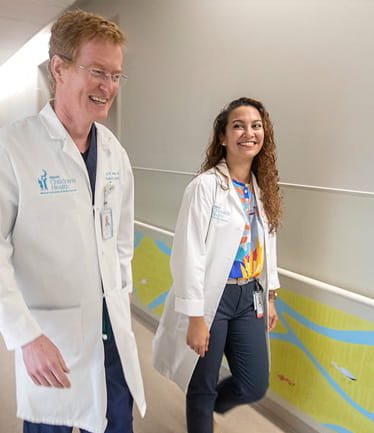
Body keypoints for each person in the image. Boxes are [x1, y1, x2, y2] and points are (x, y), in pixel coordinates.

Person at [0, 10, 146, 433]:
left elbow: (121, 239)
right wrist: (25, 336)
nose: (109, 86)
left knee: (116, 422)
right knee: (53, 423)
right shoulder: (10, 149)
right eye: (98, 71)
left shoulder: (115, 153)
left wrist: (120, 295)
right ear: (59, 68)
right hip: (50, 339)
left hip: (112, 336)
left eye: (117, 75)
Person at [152, 97, 282, 433]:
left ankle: (208, 407)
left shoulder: (262, 190)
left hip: (249, 295)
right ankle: (201, 413)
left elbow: (267, 244)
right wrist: (196, 316)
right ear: (223, 137)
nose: (248, 132)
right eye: (238, 125)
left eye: (256, 125)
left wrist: (269, 297)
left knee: (254, 383)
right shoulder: (204, 187)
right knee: (202, 383)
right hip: (212, 299)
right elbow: (187, 253)